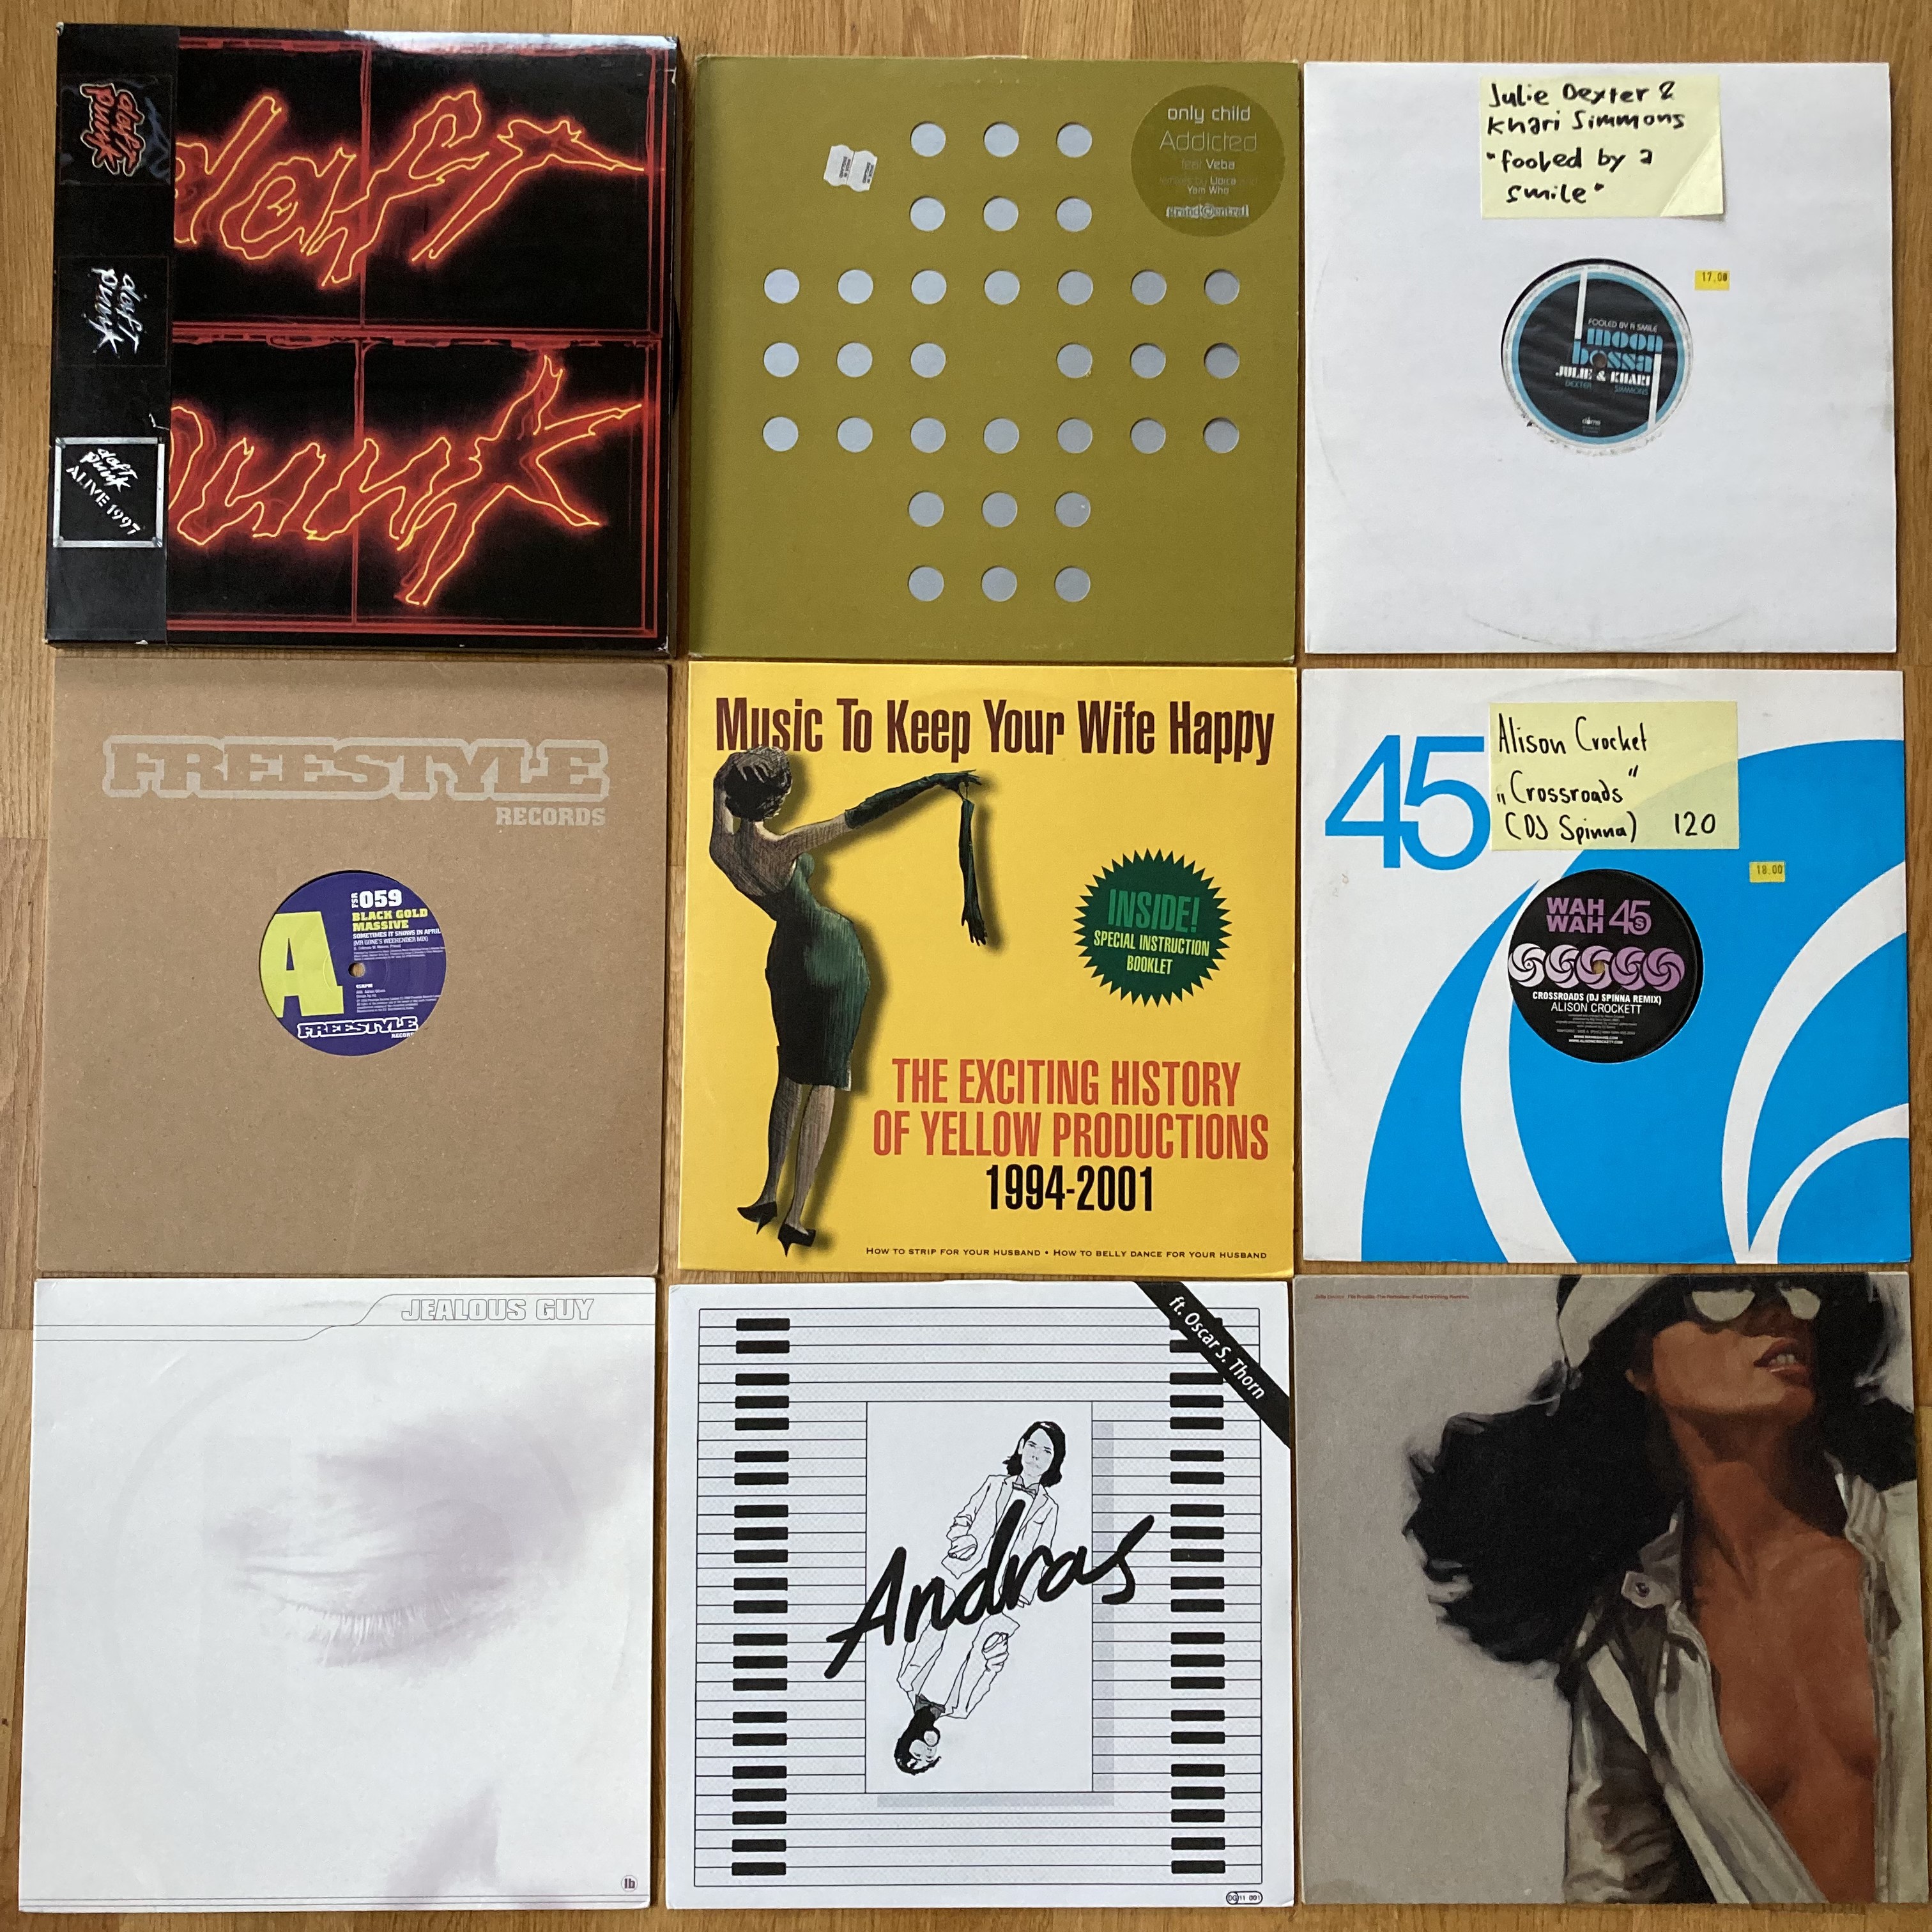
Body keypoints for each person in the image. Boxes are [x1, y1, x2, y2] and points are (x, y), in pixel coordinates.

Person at [1407, 1273, 1925, 1905]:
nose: (1779, 1312)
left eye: (1795, 1286)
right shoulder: (1628, 1650)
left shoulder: (1914, 1541)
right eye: (1722, 1292)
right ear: (1637, 1362)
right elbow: (1614, 1896)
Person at [710, 747, 983, 1253]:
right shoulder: (786, 848)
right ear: (776, 800)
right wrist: (932, 781)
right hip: (831, 958)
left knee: (790, 1075)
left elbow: (718, 786)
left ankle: (768, 1194)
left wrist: (726, 780)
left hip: (786, 963)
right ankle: (795, 1217)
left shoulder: (721, 850)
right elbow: (865, 813)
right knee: (827, 1080)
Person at [893, 1422, 1066, 1774]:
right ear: (1021, 1447)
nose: (1036, 1456)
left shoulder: (907, 1679)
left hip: (986, 1588)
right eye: (1033, 1446)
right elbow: (990, 1668)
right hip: (983, 1595)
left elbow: (1041, 1554)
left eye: (1045, 1451)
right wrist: (995, 1654)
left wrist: (1019, 1593)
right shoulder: (961, 1706)